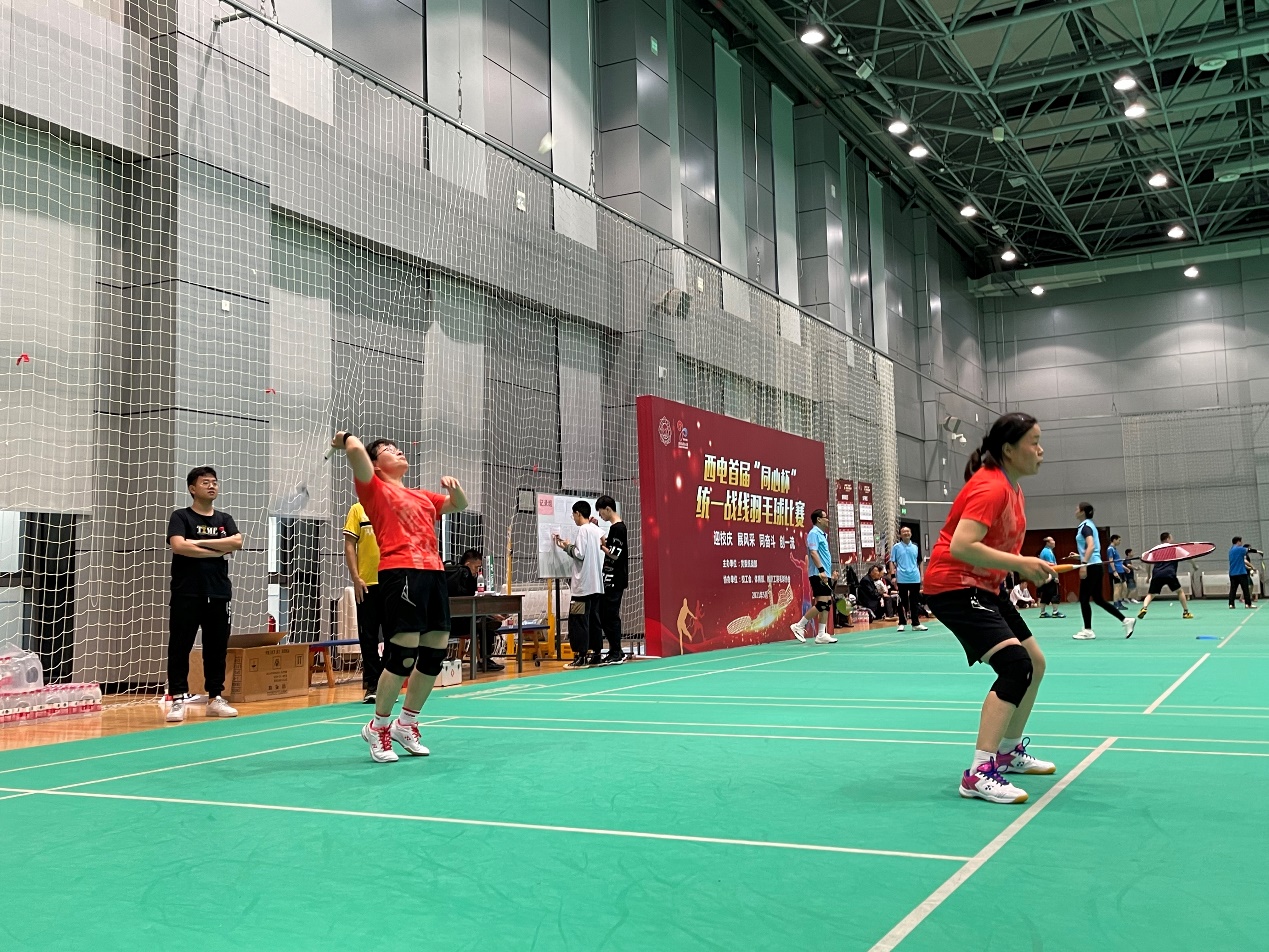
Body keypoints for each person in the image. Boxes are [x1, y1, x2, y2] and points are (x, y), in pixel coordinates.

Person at [923, 412, 1058, 805]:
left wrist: (1027, 566)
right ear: (1009, 450)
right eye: (1034, 442)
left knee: (1035, 663)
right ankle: (979, 773)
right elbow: (962, 545)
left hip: (986, 586)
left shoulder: (1013, 488)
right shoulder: (991, 487)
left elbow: (995, 550)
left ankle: (1008, 752)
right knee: (1016, 666)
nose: (1041, 450)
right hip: (954, 586)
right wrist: (1021, 565)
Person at [330, 431, 468, 763]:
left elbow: (459, 505)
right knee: (403, 654)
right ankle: (378, 726)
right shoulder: (373, 488)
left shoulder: (422, 496)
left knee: (434, 653)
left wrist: (456, 490)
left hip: (433, 573)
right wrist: (343, 438)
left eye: (398, 447)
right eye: (389, 450)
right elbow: (354, 449)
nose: (399, 451)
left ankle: (406, 723)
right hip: (401, 572)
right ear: (376, 465)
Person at [165, 466, 244, 723]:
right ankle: (178, 698)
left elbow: (236, 542)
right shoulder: (181, 517)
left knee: (216, 648)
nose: (212, 486)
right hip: (186, 593)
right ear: (192, 488)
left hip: (218, 593)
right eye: (205, 482)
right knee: (180, 646)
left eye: (214, 482)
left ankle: (215, 698)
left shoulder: (224, 519)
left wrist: (196, 542)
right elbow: (179, 546)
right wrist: (216, 550)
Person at [1068, 502, 1133, 641]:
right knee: (1098, 599)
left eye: (1077, 508)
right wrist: (1080, 556)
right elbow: (1093, 549)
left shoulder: (1085, 527)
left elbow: (1091, 546)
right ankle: (1126, 620)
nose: (1075, 510)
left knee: (1084, 599)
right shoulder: (1089, 525)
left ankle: (1088, 630)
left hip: (1091, 567)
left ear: (1082, 512)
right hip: (1095, 565)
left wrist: (1083, 564)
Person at [555, 500, 606, 667]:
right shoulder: (596, 530)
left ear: (578, 513)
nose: (574, 518)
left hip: (582, 587)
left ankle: (581, 656)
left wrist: (566, 546)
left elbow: (579, 554)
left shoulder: (583, 530)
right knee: (594, 620)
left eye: (573, 515)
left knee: (578, 620)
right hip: (596, 585)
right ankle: (596, 654)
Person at [344, 500, 384, 703]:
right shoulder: (357, 510)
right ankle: (373, 685)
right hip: (367, 584)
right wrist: (355, 577)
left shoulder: (392, 507)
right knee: (368, 636)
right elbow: (349, 545)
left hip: (392, 582)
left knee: (395, 636)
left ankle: (387, 684)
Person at [448, 549, 504, 672]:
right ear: (468, 564)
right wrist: (491, 615)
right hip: (460, 623)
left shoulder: (451, 576)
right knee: (487, 623)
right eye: (476, 567)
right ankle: (485, 660)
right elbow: (471, 604)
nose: (478, 571)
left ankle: (484, 659)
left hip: (448, 622)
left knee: (487, 620)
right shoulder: (465, 577)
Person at [790, 509, 838, 644]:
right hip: (817, 574)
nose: (827, 520)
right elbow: (813, 553)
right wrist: (821, 570)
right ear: (819, 519)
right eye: (825, 517)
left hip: (825, 573)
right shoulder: (813, 534)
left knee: (827, 603)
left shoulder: (822, 535)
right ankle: (799, 625)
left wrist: (830, 574)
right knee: (822, 603)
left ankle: (821, 634)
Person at [596, 495, 628, 665]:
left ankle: (616, 651)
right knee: (605, 614)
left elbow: (615, 554)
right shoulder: (614, 529)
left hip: (615, 579)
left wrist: (602, 547)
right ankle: (615, 650)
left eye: (601, 512)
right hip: (610, 578)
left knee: (610, 615)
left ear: (608, 509)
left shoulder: (618, 528)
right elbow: (612, 546)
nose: (601, 515)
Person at [1137, 532, 1195, 621]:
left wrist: (1148, 576)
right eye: (1171, 537)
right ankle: (1186, 612)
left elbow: (1148, 563)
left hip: (1157, 574)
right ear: (1168, 538)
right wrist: (1194, 566)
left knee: (1150, 594)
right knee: (1180, 591)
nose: (1172, 539)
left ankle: (1144, 608)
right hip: (1169, 573)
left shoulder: (1154, 549)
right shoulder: (1174, 547)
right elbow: (1188, 556)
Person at [889, 527, 927, 632]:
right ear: (900, 535)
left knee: (915, 601)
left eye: (908, 531)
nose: (906, 533)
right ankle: (902, 623)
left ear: (911, 533)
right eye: (904, 532)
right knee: (902, 601)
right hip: (902, 578)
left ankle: (916, 623)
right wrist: (893, 576)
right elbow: (891, 561)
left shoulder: (916, 546)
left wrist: (922, 575)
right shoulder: (896, 547)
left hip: (914, 577)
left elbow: (920, 561)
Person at [1036, 537, 1065, 619]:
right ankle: (1055, 612)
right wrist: (1055, 576)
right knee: (1055, 594)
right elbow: (1052, 566)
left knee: (1045, 595)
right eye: (1052, 540)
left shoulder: (1045, 551)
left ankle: (1043, 612)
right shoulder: (1047, 552)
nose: (1054, 541)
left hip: (1045, 577)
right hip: (1050, 577)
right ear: (1048, 543)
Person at [1228, 536, 1256, 610]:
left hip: (1232, 573)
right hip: (1241, 573)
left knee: (1233, 589)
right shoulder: (1240, 549)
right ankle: (1248, 604)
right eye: (1241, 541)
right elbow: (1249, 550)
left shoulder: (1231, 550)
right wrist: (1259, 552)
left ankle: (1231, 604)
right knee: (1245, 589)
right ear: (1238, 542)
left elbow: (1241, 560)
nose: (1242, 543)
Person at [1106, 534, 1128, 610]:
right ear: (1114, 540)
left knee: (1124, 587)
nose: (1120, 542)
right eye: (1119, 540)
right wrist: (1114, 571)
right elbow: (1111, 560)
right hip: (1116, 571)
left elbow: (1118, 561)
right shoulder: (1110, 549)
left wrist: (1125, 568)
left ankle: (1119, 602)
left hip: (1120, 570)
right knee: (1117, 587)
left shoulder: (1115, 549)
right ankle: (1116, 604)